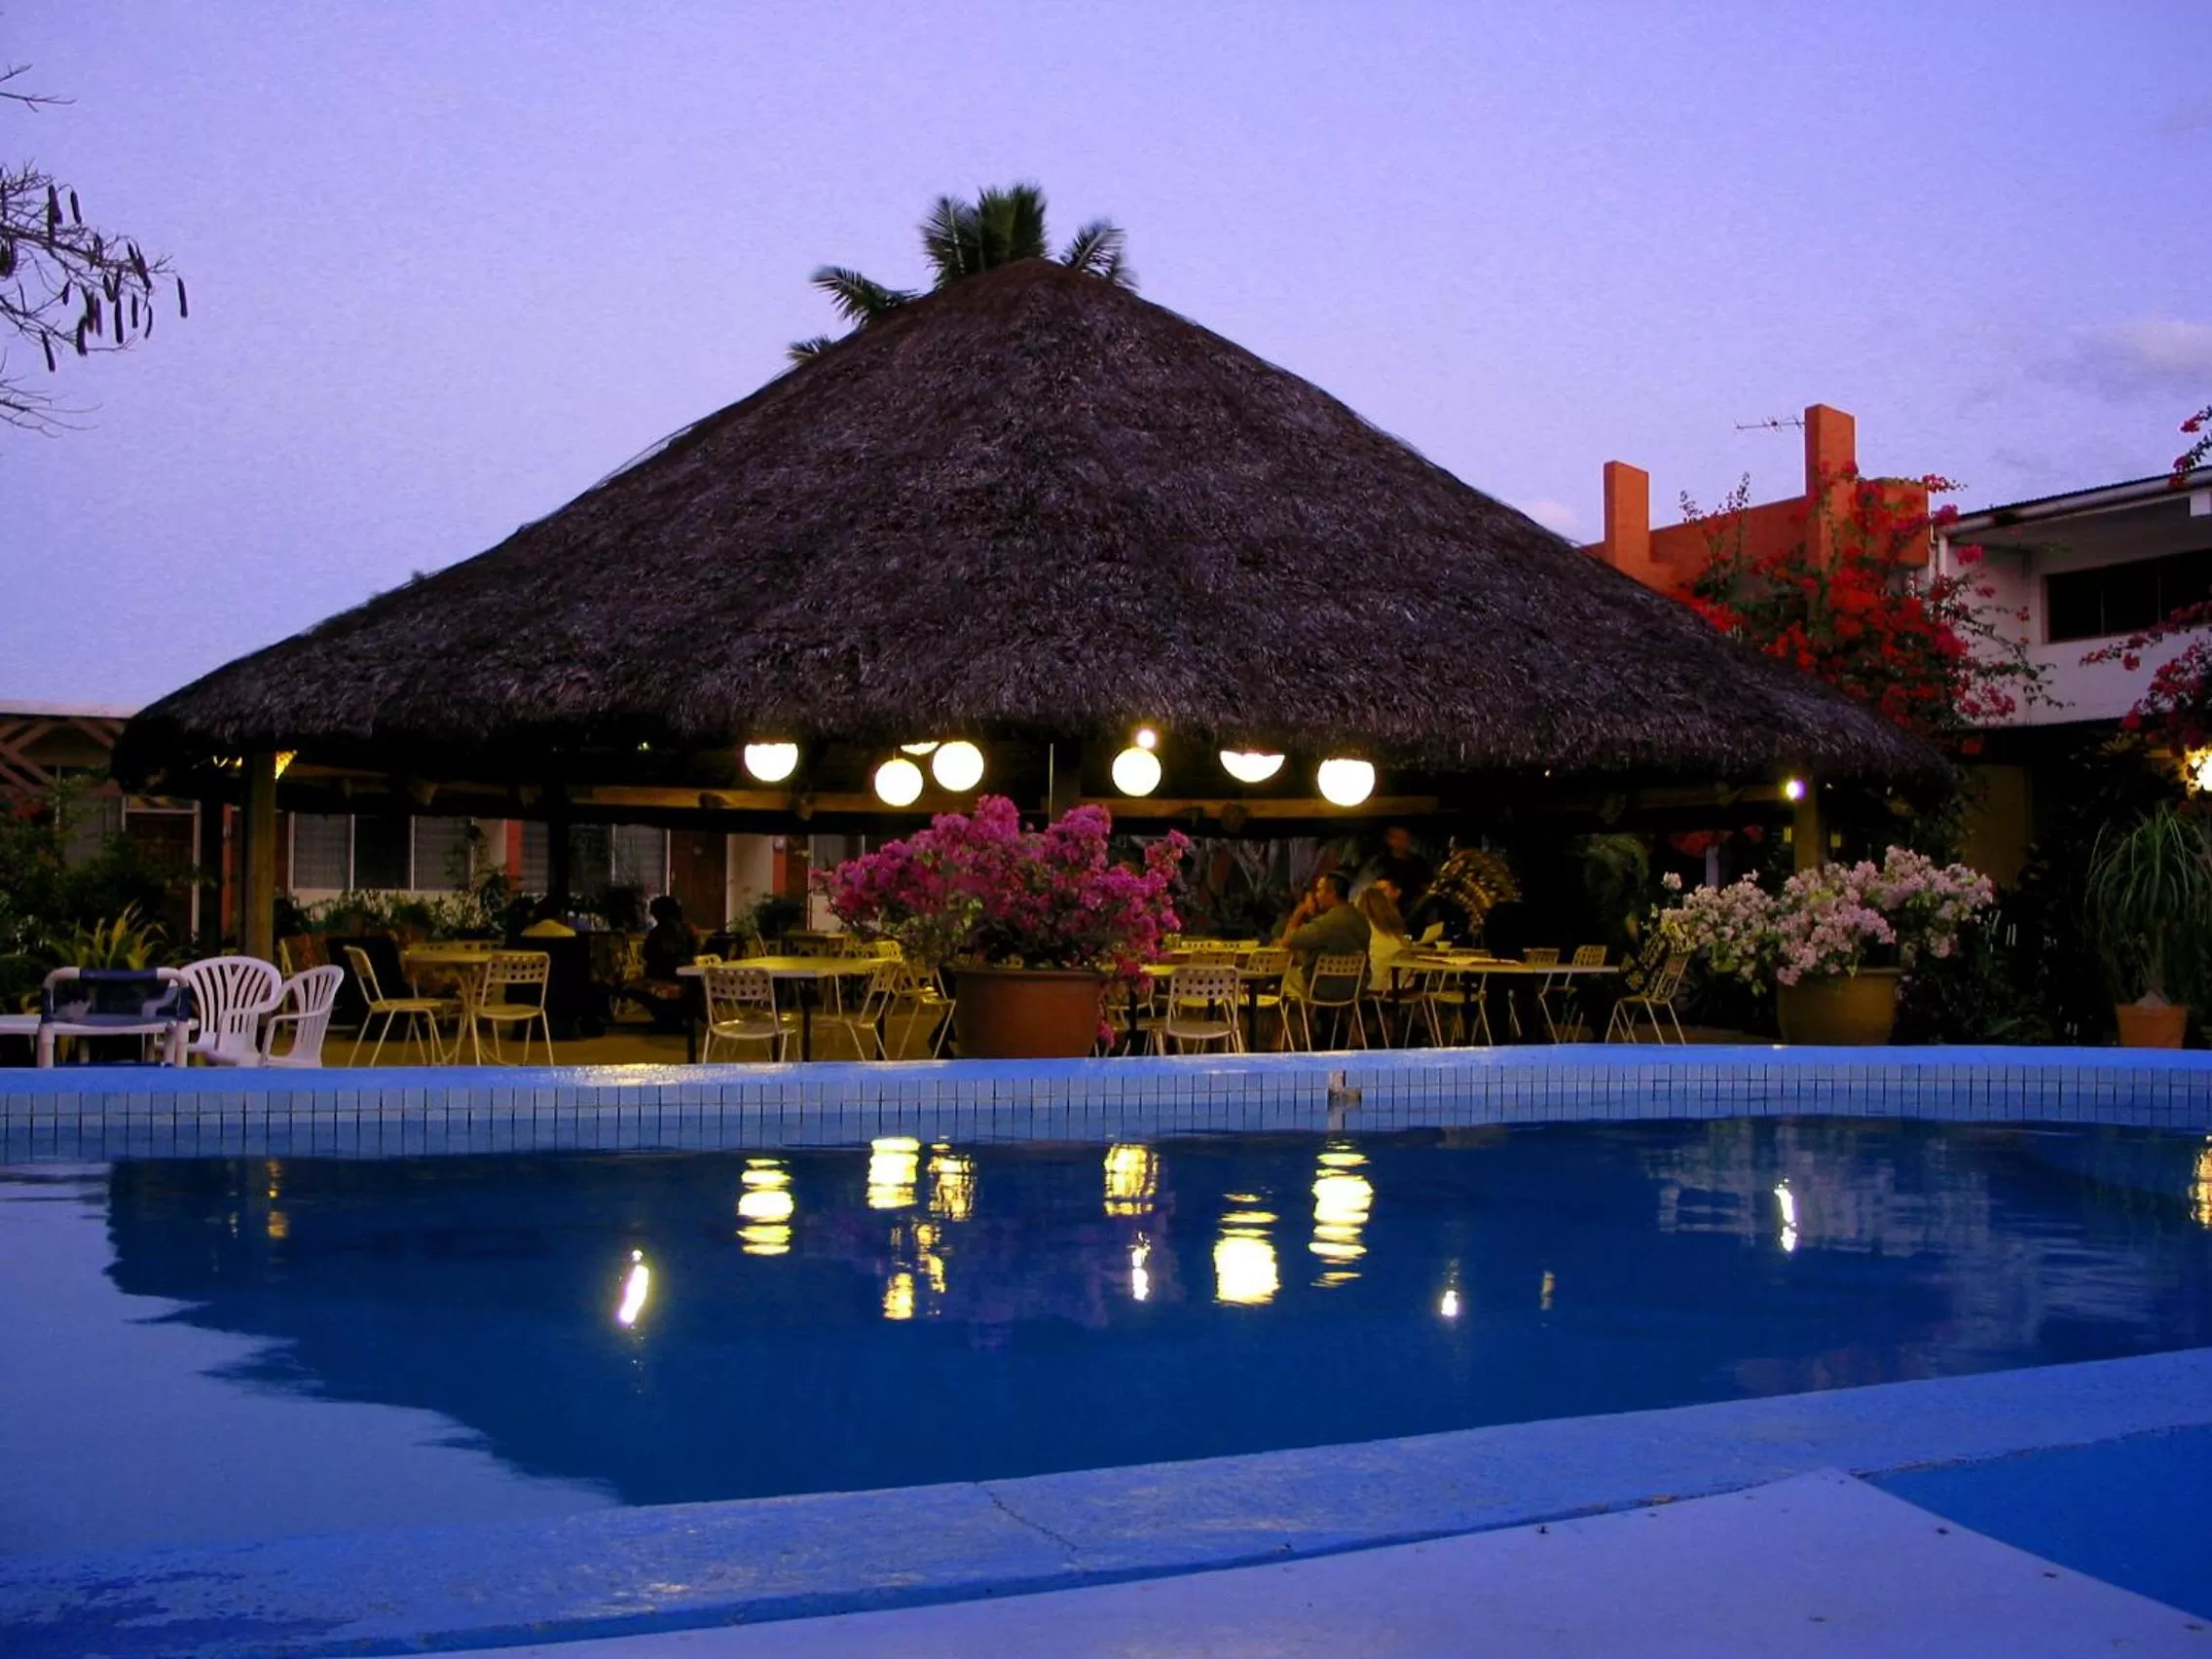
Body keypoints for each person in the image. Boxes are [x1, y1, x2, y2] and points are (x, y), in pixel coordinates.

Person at [1277, 869, 1372, 997]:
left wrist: (1300, 910)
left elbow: (1286, 941)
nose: (1316, 896)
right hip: (1356, 987)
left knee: (1286, 973)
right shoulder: (1360, 918)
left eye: (1319, 891)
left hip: (1325, 987)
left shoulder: (1327, 923)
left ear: (1332, 893)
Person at [620, 894, 697, 1033]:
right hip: (690, 982)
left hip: (665, 981)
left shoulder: (660, 932)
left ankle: (667, 1016)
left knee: (625, 986)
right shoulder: (690, 929)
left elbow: (649, 955)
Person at [1367, 827, 1433, 908]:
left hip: (1421, 905)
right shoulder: (1381, 864)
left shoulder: (1418, 860)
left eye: (1405, 838)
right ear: (1389, 840)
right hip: (1394, 908)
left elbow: (1428, 883)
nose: (1403, 841)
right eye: (1398, 838)